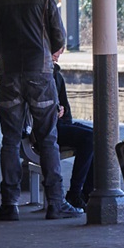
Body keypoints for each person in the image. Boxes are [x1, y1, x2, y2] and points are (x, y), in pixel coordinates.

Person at [0, 0, 81, 221]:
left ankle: (9, 204)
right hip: (40, 76)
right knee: (48, 139)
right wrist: (42, 52)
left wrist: (7, 52)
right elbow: (59, 37)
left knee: (10, 140)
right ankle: (55, 203)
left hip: (10, 75)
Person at [52, 57, 95, 209]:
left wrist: (61, 111)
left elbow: (65, 107)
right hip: (47, 129)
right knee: (90, 138)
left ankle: (87, 192)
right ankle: (75, 193)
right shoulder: (40, 75)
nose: (59, 53)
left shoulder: (56, 75)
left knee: (97, 136)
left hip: (60, 124)